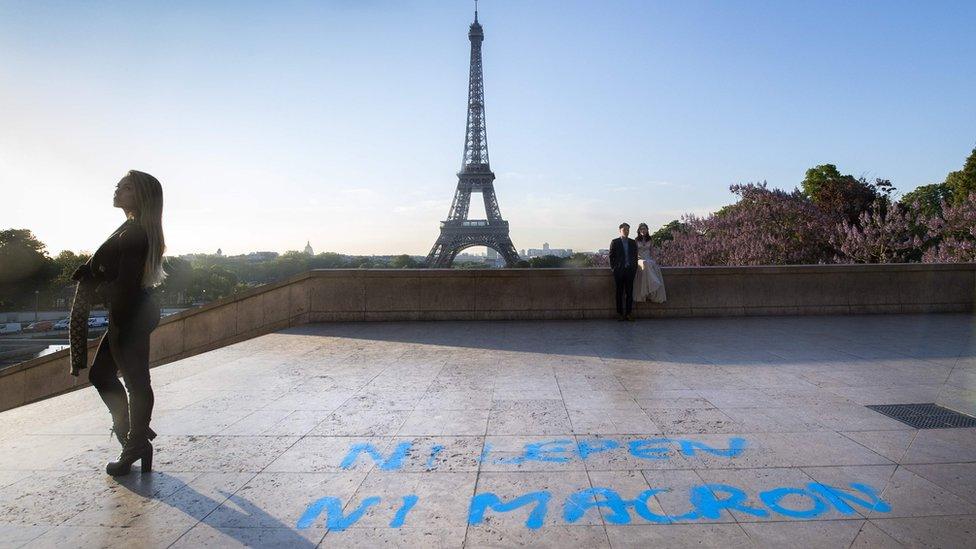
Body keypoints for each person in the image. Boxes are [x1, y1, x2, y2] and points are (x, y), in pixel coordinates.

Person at [71, 170, 165, 476]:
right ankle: (133, 438)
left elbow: (125, 286)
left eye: (125, 188)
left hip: (131, 312)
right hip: (130, 311)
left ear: (140, 196)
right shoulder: (130, 228)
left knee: (136, 381)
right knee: (102, 374)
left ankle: (134, 441)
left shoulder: (134, 231)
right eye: (118, 186)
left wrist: (94, 286)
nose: (117, 190)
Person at [608, 222, 638, 321]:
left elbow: (635, 256)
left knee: (629, 293)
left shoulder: (632, 242)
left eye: (628, 230)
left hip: (630, 271)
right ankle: (620, 313)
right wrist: (614, 269)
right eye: (624, 230)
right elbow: (611, 257)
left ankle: (629, 313)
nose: (627, 231)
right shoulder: (615, 242)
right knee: (619, 293)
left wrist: (634, 268)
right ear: (620, 231)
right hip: (619, 271)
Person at [634, 222, 667, 303]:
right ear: (639, 230)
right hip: (640, 260)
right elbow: (635, 253)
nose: (643, 230)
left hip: (649, 259)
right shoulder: (636, 240)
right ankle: (654, 282)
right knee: (645, 263)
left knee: (650, 264)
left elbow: (652, 252)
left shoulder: (650, 239)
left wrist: (654, 261)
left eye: (644, 228)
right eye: (641, 229)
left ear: (647, 230)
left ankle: (650, 291)